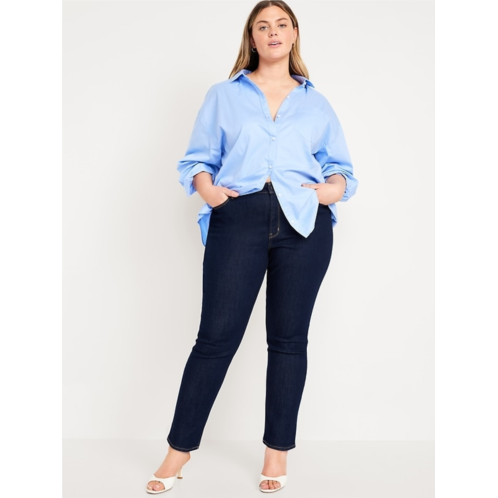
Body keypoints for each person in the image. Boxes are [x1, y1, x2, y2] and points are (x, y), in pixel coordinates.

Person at [146, 0, 358, 494]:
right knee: (215, 338)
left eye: (281, 24)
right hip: (238, 216)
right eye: (262, 26)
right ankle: (178, 450)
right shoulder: (224, 95)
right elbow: (197, 159)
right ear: (252, 38)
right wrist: (210, 192)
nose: (272, 32)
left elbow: (342, 170)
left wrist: (327, 192)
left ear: (294, 33)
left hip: (303, 222)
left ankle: (276, 453)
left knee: (288, 340)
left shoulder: (316, 102)